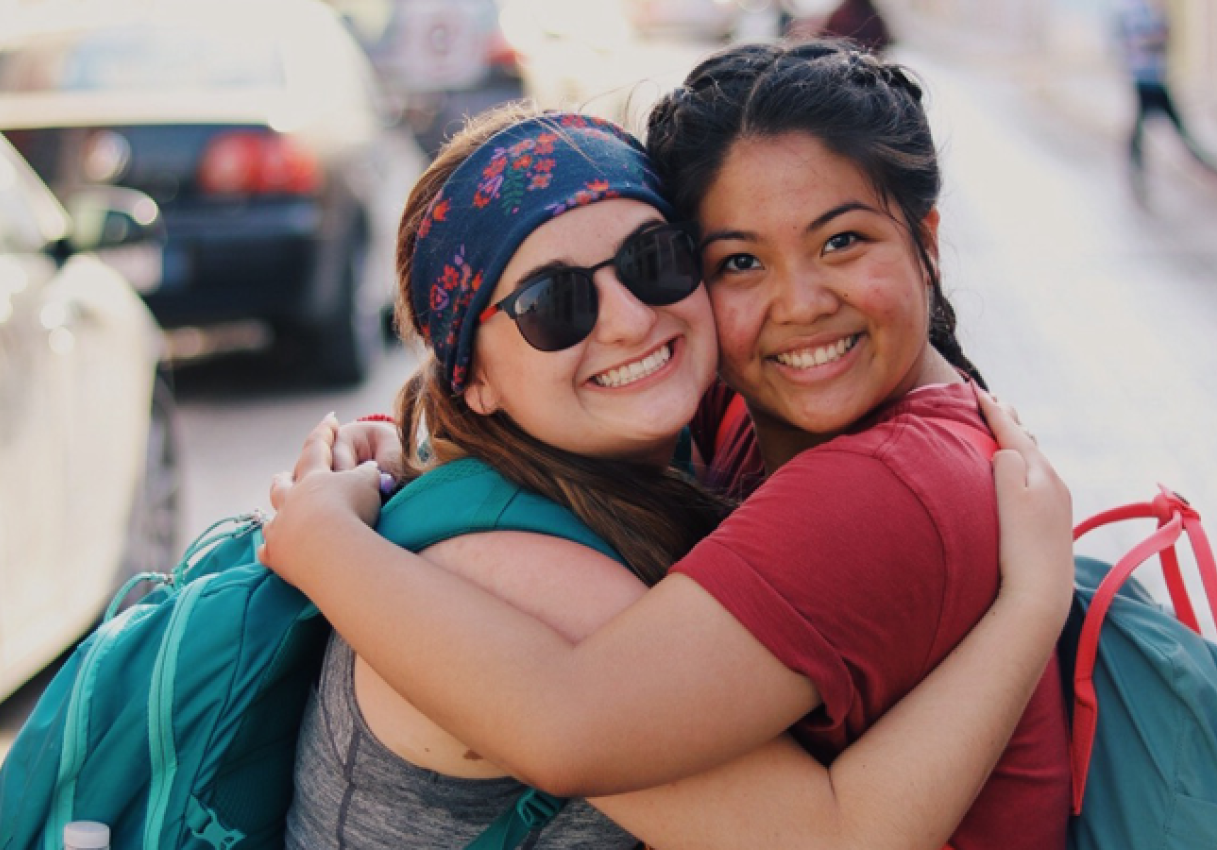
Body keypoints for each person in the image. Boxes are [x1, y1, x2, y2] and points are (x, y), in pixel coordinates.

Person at [265, 41, 1075, 849]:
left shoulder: (843, 461)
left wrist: (323, 537)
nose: (630, 320)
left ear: (925, 242)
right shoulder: (542, 546)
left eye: (653, 262)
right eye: (555, 304)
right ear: (471, 377)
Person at [1117, 0, 1217, 202]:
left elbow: (1165, 37)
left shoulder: (1153, 10)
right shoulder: (1135, 11)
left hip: (1157, 77)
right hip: (1144, 79)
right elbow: (1138, 40)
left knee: (1166, 127)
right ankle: (1137, 170)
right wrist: (1157, 37)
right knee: (1148, 130)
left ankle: (1201, 164)